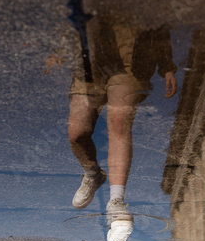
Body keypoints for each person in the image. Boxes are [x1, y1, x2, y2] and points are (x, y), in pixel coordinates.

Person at [68, 16, 177, 216]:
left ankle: (116, 199)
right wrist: (58, 51)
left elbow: (157, 17)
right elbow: (73, 6)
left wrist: (167, 66)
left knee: (119, 123)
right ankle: (93, 174)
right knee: (77, 132)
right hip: (92, 59)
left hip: (131, 59)